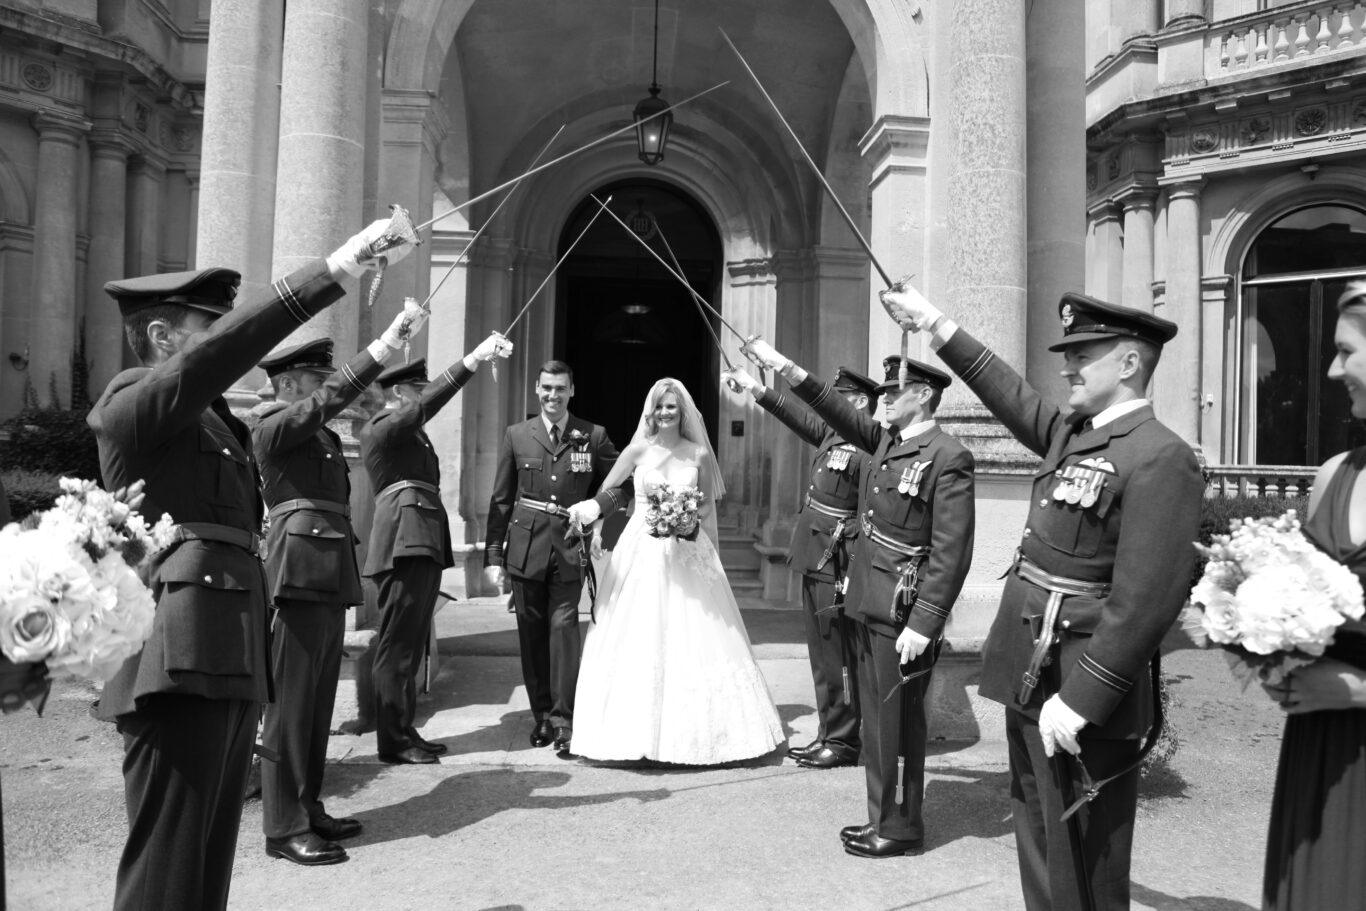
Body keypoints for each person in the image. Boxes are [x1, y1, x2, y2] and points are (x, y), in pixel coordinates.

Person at [87, 215, 414, 911]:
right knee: (169, 861)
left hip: (223, 648)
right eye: (210, 328)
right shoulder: (130, 404)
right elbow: (223, 362)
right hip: (174, 655)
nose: (225, 341)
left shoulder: (210, 421)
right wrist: (337, 269)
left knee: (206, 862)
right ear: (161, 338)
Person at [878, 286, 1203, 909]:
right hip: (1030, 667)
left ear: (1129, 363)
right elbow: (1009, 393)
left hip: (1080, 683)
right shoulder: (1072, 435)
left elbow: (1148, 598)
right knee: (1037, 833)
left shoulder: (1160, 456)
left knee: (1084, 855)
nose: (1067, 368)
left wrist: (1084, 698)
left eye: (1083, 355)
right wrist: (935, 323)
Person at [735, 350, 975, 857]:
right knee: (880, 718)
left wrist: (927, 621)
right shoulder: (886, 441)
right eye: (881, 392)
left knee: (897, 722)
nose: (883, 399)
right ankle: (884, 818)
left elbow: (952, 550)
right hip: (869, 596)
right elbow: (828, 409)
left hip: (902, 608)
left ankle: (899, 825)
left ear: (924, 395)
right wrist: (781, 367)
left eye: (894, 392)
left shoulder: (947, 456)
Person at [252, 318, 427, 866]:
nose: (325, 390)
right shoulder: (273, 424)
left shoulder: (319, 435)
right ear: (287, 385)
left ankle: (307, 806)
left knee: (316, 704)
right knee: (291, 707)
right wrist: (382, 347)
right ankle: (283, 826)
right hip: (297, 577)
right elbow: (326, 404)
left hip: (324, 576)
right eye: (314, 380)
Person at [567, 378, 784, 764]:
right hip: (640, 549)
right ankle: (631, 734)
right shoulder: (637, 450)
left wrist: (692, 525)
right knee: (638, 631)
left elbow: (707, 506)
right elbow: (608, 491)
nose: (665, 412)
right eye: (659, 406)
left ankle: (697, 736)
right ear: (650, 411)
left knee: (695, 631)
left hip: (687, 549)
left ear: (683, 412)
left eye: (671, 407)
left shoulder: (698, 453)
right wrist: (596, 530)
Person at [1259, 282, 1366, 911]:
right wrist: (1269, 651)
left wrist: (1355, 691)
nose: (1330, 371)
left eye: (1347, 351)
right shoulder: (1334, 475)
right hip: (1318, 754)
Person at [362, 337, 512, 765]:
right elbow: (429, 405)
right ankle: (392, 741)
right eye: (417, 390)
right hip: (402, 544)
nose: (423, 398)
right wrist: (471, 361)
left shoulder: (409, 434)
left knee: (411, 646)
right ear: (397, 393)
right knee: (397, 647)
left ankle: (404, 729)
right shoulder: (382, 426)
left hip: (419, 542)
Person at [726, 366, 877, 769]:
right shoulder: (834, 435)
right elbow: (795, 415)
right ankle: (828, 732)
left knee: (839, 655)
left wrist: (852, 567)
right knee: (821, 652)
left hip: (837, 560)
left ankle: (843, 741)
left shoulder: (870, 445)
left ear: (860, 402)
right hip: (816, 554)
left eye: (840, 398)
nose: (831, 406)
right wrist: (755, 388)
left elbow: (868, 515)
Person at [483, 361, 631, 755]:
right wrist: (494, 554)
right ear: (537, 389)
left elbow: (625, 484)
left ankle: (565, 718)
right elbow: (501, 498)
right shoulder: (517, 434)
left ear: (572, 391)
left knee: (563, 628)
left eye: (560, 388)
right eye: (547, 388)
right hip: (525, 546)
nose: (553, 396)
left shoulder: (593, 435)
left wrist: (597, 506)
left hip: (569, 544)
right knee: (531, 633)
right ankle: (543, 716)